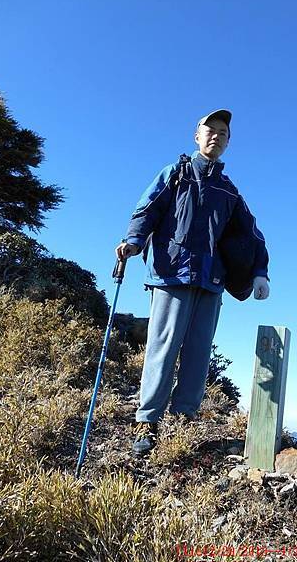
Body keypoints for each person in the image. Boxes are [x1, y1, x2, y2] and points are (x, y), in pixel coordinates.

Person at [116, 109, 270, 455]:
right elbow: (147, 211)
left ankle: (183, 419)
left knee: (199, 354)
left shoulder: (229, 190)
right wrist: (134, 241)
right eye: (210, 130)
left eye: (223, 133)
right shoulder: (175, 175)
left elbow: (252, 234)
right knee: (164, 348)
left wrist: (260, 273)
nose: (216, 136)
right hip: (170, 274)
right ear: (197, 136)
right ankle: (147, 421)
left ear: (228, 143)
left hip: (210, 281)